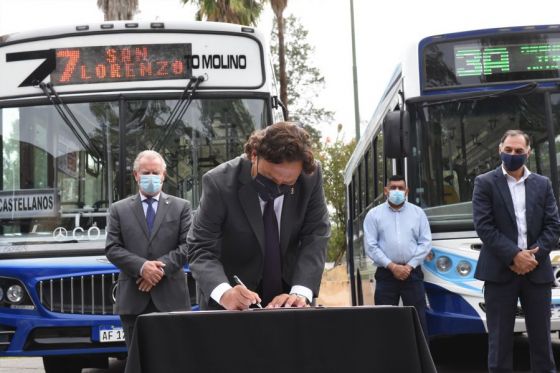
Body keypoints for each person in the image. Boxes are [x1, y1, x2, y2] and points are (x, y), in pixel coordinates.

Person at [187, 121, 330, 310]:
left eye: (287, 184)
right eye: (271, 179)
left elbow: (316, 235)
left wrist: (300, 292)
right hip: (232, 301)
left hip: (289, 298)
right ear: (254, 155)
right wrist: (224, 293)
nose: (278, 188)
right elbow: (200, 247)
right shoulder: (218, 183)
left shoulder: (310, 177)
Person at [473, 129, 560, 373]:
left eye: (519, 151)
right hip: (500, 272)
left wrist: (533, 256)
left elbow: (553, 226)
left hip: (536, 271)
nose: (513, 154)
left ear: (528, 153)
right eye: (508, 150)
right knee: (499, 343)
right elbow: (484, 226)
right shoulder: (485, 182)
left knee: (542, 341)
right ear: (500, 150)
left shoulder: (542, 184)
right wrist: (514, 255)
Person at [105, 150, 192, 347]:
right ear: (136, 176)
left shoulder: (181, 207)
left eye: (155, 172)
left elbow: (189, 245)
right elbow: (112, 248)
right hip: (133, 301)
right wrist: (143, 268)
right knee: (138, 362)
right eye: (146, 173)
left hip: (172, 300)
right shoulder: (119, 209)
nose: (151, 177)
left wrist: (158, 271)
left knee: (173, 361)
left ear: (164, 175)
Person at [363, 175, 431, 337]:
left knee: (418, 322)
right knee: (385, 322)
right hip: (386, 275)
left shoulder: (418, 213)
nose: (397, 191)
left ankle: (420, 361)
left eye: (401, 188)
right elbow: (371, 246)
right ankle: (386, 361)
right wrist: (392, 266)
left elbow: (425, 243)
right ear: (386, 191)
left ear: (407, 191)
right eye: (393, 188)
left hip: (412, 274)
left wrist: (409, 266)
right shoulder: (374, 215)